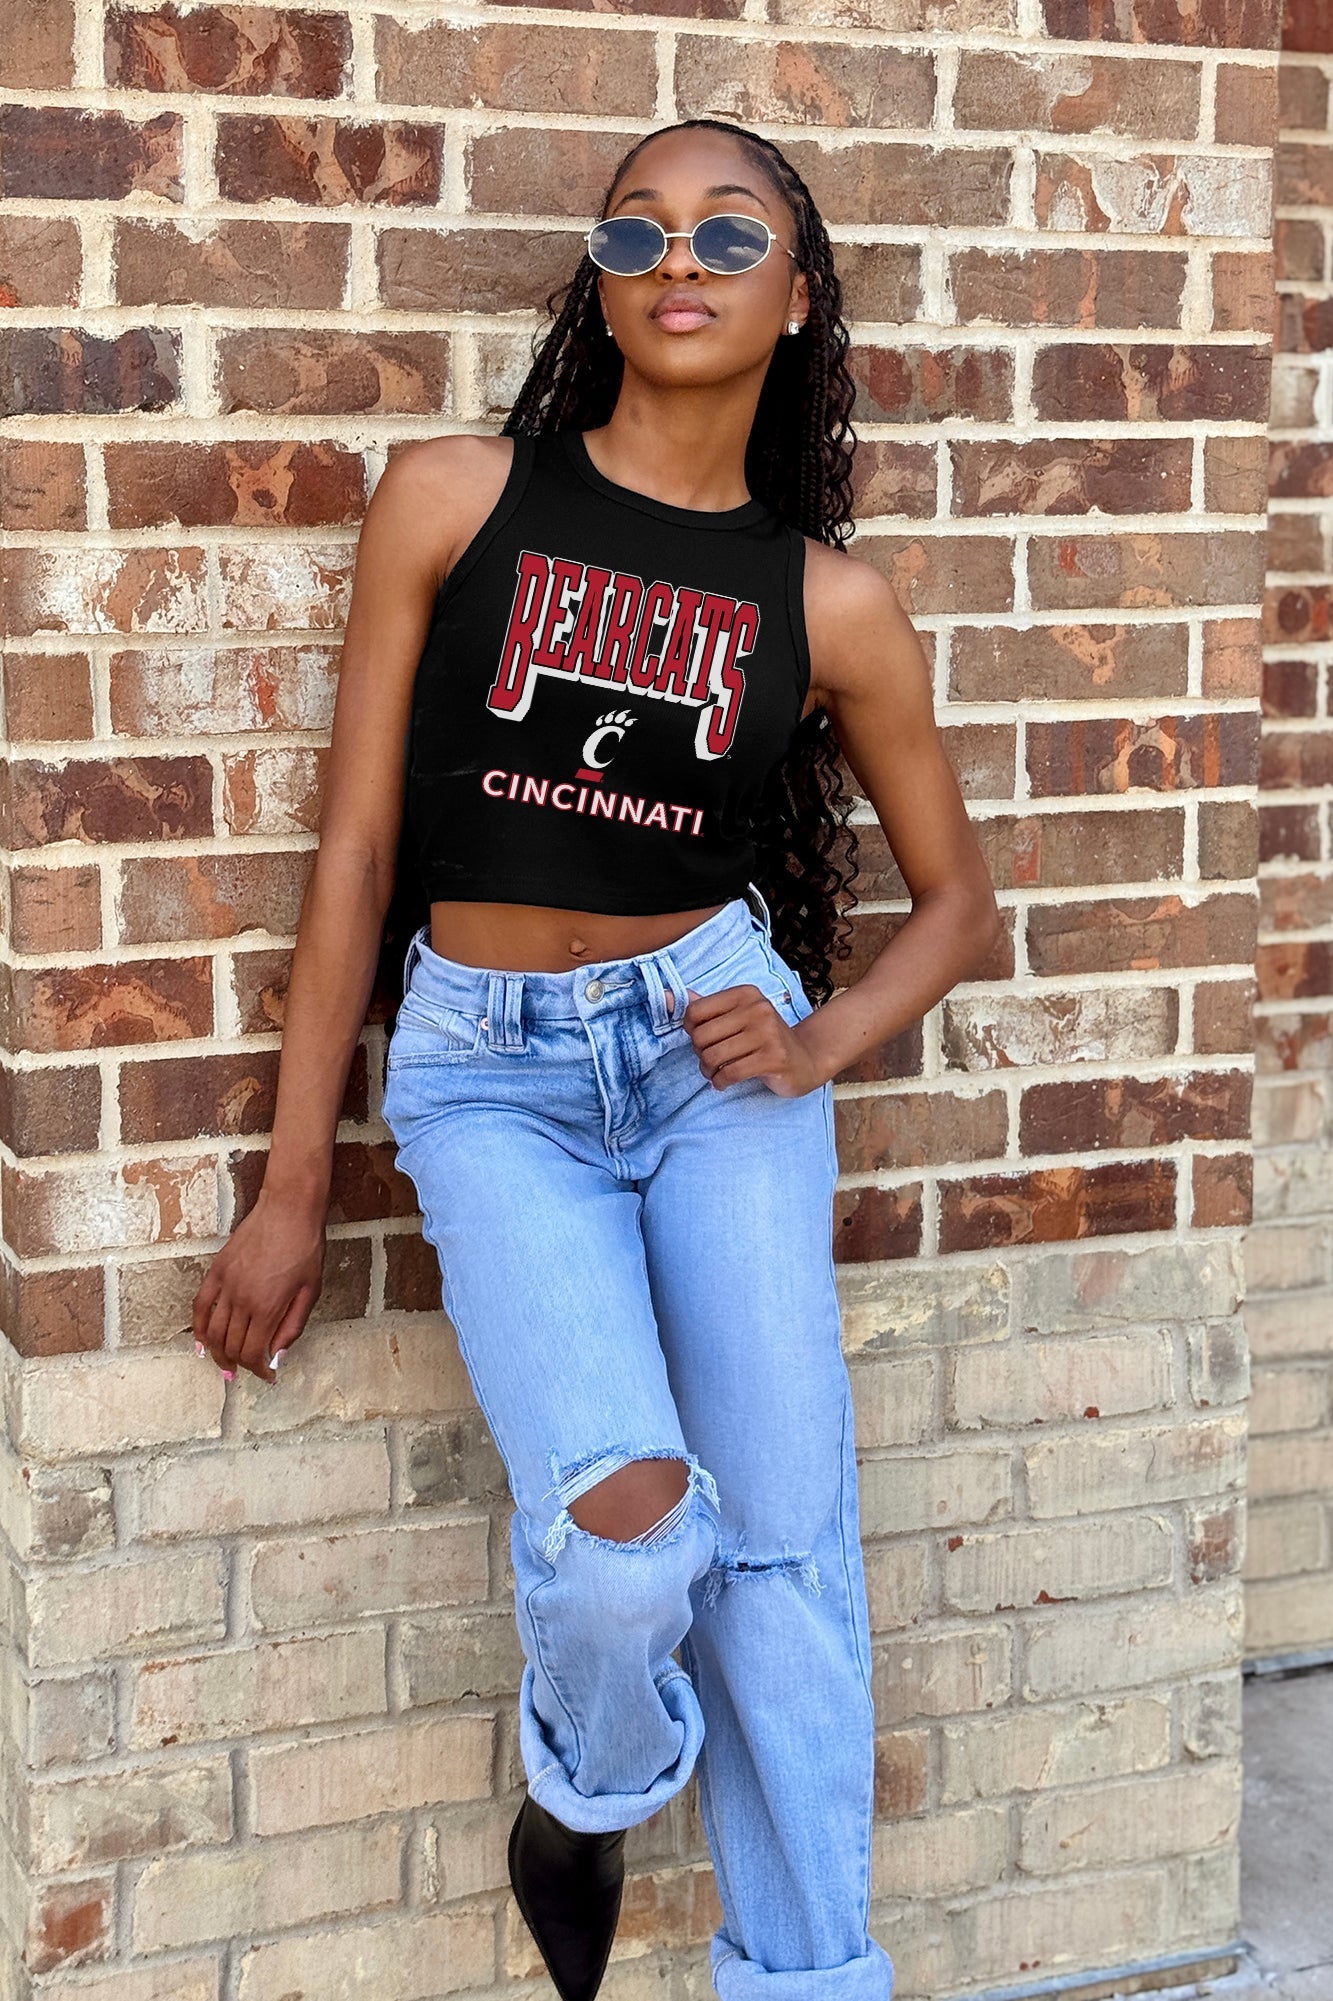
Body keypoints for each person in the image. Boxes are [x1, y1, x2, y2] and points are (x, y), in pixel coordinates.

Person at [192, 115, 1001, 2001]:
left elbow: (960, 902)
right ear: (600, 285)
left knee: (781, 1555)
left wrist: (814, 1036)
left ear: (797, 301)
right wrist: (295, 1180)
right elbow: (359, 856)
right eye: (636, 234)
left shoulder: (829, 605)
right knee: (630, 1550)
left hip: (714, 1072)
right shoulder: (452, 500)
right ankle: (595, 1780)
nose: (678, 259)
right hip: (491, 1076)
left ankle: (809, 1976)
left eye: (729, 232)